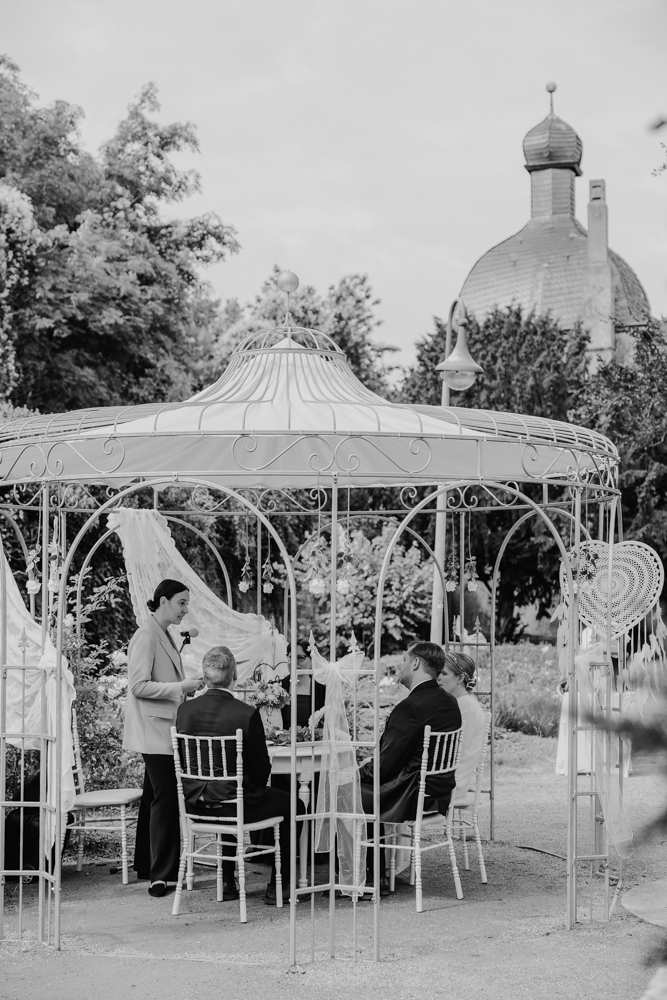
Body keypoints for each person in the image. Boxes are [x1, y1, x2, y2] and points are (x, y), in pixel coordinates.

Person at [176, 645, 303, 905]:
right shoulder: (245, 714)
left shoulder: (184, 711)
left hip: (196, 805)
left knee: (227, 793)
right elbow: (260, 769)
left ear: (204, 674)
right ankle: (281, 882)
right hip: (236, 806)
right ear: (234, 675)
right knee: (294, 804)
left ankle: (227, 880)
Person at [359, 640, 462, 892]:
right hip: (438, 794)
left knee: (349, 791)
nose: (401, 665)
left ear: (415, 662)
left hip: (412, 795)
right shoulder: (450, 702)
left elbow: (384, 768)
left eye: (405, 660)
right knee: (363, 786)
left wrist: (357, 771)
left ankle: (370, 877)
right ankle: (376, 874)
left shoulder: (410, 707)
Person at [123, 579, 202, 897]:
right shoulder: (146, 635)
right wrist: (181, 687)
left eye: (187, 603)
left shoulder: (164, 633)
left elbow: (162, 680)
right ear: (164, 601)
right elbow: (138, 686)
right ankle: (163, 876)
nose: (186, 609)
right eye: (182, 603)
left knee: (155, 797)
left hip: (163, 727)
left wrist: (184, 687)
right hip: (154, 731)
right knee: (167, 797)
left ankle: (146, 864)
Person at [438, 651, 486, 798]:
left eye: (444, 673)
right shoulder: (458, 702)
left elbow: (454, 751)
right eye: (437, 672)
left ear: (459, 678)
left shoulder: (466, 706)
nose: (437, 678)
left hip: (451, 782)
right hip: (442, 774)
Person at [281, 636, 326, 728]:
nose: (294, 662)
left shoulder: (322, 690)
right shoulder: (276, 687)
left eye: (300, 658)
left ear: (312, 660)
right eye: (291, 657)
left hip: (313, 741)